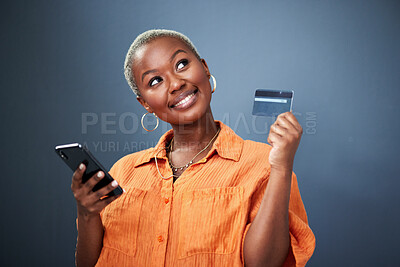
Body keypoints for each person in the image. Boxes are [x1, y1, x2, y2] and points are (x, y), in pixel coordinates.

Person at [71, 29, 315, 267]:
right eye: (155, 81)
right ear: (145, 103)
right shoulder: (123, 172)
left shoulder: (264, 164)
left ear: (205, 68)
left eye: (181, 64)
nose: (176, 83)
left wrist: (281, 168)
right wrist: (87, 213)